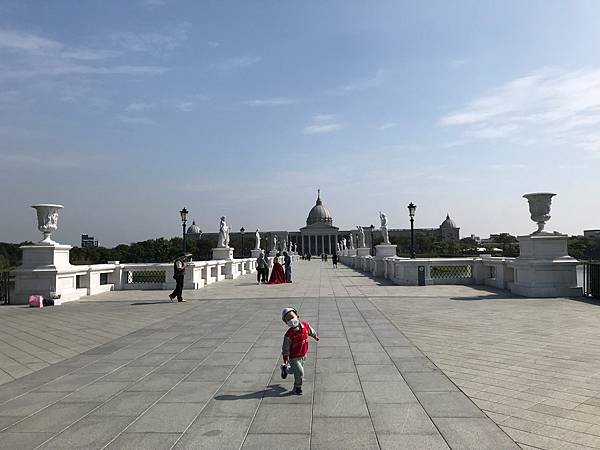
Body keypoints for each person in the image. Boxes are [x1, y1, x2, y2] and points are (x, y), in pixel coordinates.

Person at [280, 307, 319, 395]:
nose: (291, 320)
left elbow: (310, 331)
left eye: (292, 317)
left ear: (297, 316)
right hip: (294, 358)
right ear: (286, 323)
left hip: (303, 354)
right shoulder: (288, 335)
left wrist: (315, 336)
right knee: (300, 372)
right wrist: (285, 358)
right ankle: (297, 387)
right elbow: (285, 348)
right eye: (288, 320)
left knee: (294, 371)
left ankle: (285, 369)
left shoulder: (305, 326)